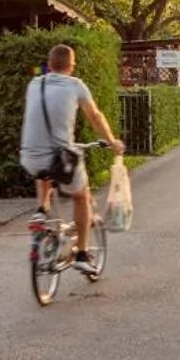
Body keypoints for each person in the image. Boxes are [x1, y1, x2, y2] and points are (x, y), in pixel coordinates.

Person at [19, 43, 123, 273]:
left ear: (49, 64)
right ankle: (82, 255)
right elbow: (95, 116)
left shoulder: (34, 84)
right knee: (81, 197)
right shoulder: (75, 85)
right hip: (59, 159)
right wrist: (112, 141)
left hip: (29, 156)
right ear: (71, 65)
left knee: (45, 166)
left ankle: (41, 210)